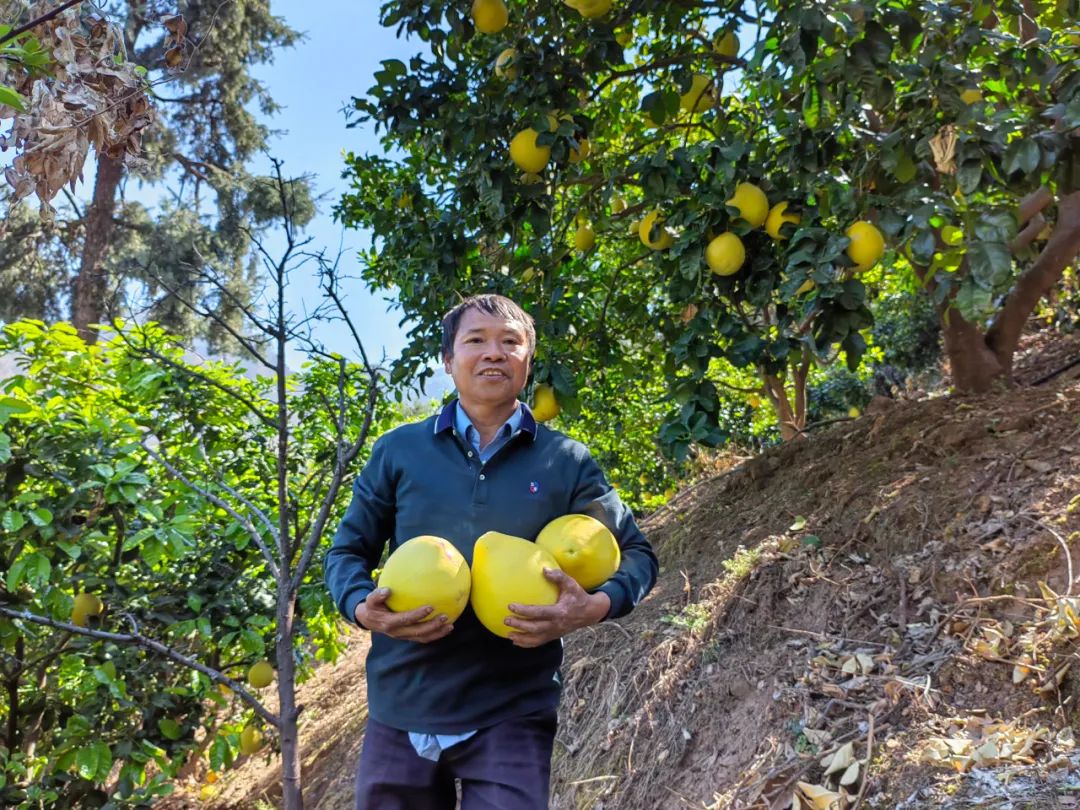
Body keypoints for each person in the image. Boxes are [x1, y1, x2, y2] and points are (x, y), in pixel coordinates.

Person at [324, 294, 658, 809]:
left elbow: (636, 554)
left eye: (510, 342)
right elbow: (347, 551)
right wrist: (360, 607)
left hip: (512, 708)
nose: (493, 353)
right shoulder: (399, 451)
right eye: (475, 340)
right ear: (448, 360)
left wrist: (595, 606)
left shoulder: (565, 461)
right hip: (402, 701)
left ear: (529, 359)